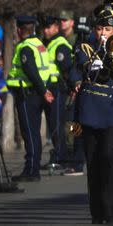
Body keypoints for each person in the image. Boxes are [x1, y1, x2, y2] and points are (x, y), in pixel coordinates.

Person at [70, 7, 113, 224]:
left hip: (111, 113)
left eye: (107, 29)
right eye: (99, 29)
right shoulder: (85, 47)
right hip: (89, 110)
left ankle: (111, 208)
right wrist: (76, 80)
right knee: (93, 162)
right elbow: (74, 70)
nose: (102, 33)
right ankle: (97, 212)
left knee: (108, 159)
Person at [7, 15, 53, 182]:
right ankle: (33, 168)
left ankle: (31, 170)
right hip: (36, 94)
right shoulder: (39, 44)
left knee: (30, 133)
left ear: (19, 30)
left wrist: (42, 91)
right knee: (34, 133)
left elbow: (30, 70)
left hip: (28, 94)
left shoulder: (26, 47)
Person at [40, 13, 73, 172]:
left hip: (58, 88)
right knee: (54, 123)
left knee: (57, 124)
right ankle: (58, 155)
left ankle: (62, 157)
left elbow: (66, 69)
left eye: (48, 27)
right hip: (50, 88)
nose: (45, 30)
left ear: (55, 27)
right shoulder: (48, 43)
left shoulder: (60, 44)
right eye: (44, 28)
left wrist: (69, 87)